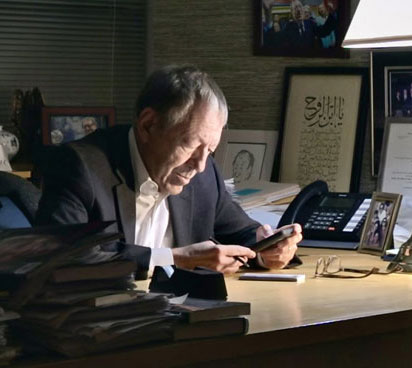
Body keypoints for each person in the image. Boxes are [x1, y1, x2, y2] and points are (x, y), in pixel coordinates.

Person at [35, 64, 302, 277]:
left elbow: (241, 233)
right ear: (148, 125)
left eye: (210, 150)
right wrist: (174, 259)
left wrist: (268, 248)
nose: (199, 165)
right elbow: (61, 258)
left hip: (182, 319)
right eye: (190, 145)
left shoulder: (203, 173)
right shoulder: (79, 166)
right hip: (100, 325)